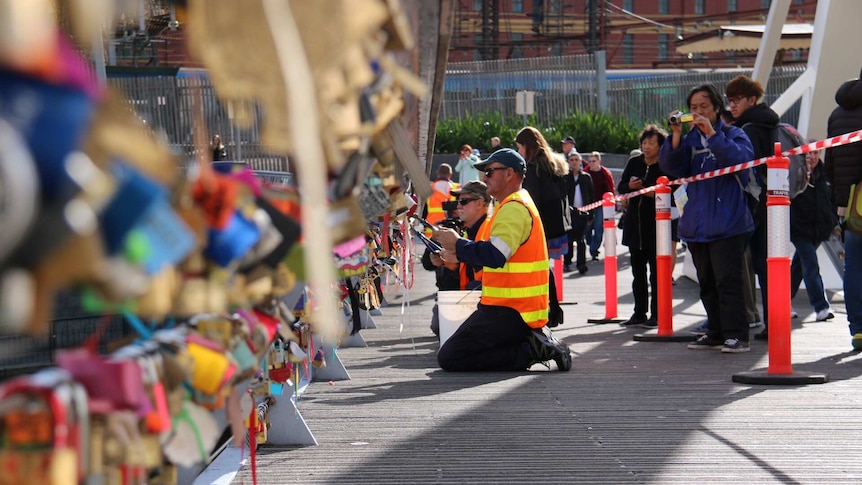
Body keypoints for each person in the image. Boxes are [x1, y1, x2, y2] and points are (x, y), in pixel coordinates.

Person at [433, 148, 572, 372]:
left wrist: (457, 243)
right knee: (456, 352)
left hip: (512, 311)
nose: (484, 177)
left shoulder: (514, 208)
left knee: (450, 357)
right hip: (515, 309)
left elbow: (495, 256)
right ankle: (530, 344)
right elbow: (497, 253)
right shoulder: (515, 202)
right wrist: (457, 253)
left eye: (489, 171)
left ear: (509, 174)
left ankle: (532, 350)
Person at [659, 83, 755, 353]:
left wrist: (712, 134)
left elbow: (741, 161)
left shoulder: (734, 134)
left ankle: (737, 335)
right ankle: (715, 331)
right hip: (697, 223)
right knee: (707, 282)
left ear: (716, 108)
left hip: (728, 222)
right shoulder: (689, 141)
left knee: (728, 280)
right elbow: (671, 168)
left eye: (703, 107)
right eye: (693, 108)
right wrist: (675, 135)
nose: (698, 112)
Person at [726, 75, 777, 339]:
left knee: (733, 264)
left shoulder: (748, 129)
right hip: (773, 204)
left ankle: (739, 322)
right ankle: (773, 321)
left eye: (737, 100)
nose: (732, 105)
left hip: (753, 206)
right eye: (730, 100)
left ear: (752, 100)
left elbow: (747, 170)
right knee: (768, 266)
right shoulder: (770, 124)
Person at [617, 124, 674, 329]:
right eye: (644, 142)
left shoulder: (665, 165)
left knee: (657, 274)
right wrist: (630, 188)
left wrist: (649, 192)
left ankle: (657, 315)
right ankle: (639, 313)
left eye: (651, 142)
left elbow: (672, 192)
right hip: (635, 227)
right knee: (637, 275)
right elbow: (621, 187)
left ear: (660, 145)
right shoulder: (634, 162)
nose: (646, 146)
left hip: (656, 229)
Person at [515, 126, 571, 328]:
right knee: (544, 268)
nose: (518, 151)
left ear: (526, 146)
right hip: (555, 224)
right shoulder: (553, 164)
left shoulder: (532, 169)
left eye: (519, 147)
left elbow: (531, 200)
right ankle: (554, 309)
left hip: (540, 225)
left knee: (539, 270)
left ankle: (551, 309)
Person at [825, 68, 862, 351]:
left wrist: (840, 201)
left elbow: (831, 164)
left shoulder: (838, 114)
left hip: (850, 206)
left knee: (853, 267)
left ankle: (858, 329)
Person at [789, 144, 837, 321]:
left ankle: (782, 301)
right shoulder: (796, 174)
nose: (812, 156)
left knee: (799, 266)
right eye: (809, 152)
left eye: (816, 152)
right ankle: (821, 307)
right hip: (800, 229)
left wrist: (831, 221)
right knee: (810, 265)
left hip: (819, 230)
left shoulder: (825, 175)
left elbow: (830, 199)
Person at [563, 150, 593, 274]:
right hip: (569, 212)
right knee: (569, 239)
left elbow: (591, 196)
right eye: (572, 160)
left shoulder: (586, 177)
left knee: (581, 239)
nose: (574, 162)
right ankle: (567, 262)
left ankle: (581, 264)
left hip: (583, 212)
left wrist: (591, 214)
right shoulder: (565, 177)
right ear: (568, 162)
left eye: (576, 160)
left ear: (580, 161)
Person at [586, 151, 615, 261]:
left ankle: (594, 250)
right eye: (590, 161)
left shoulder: (605, 173)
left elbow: (610, 188)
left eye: (594, 161)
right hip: (588, 205)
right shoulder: (586, 172)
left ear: (599, 161)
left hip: (601, 205)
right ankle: (590, 244)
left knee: (598, 228)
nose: (591, 163)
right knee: (587, 229)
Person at [424, 163, 459, 233]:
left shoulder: (428, 188)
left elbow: (424, 211)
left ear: (437, 173)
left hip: (431, 228)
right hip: (451, 229)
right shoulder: (457, 188)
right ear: (450, 175)